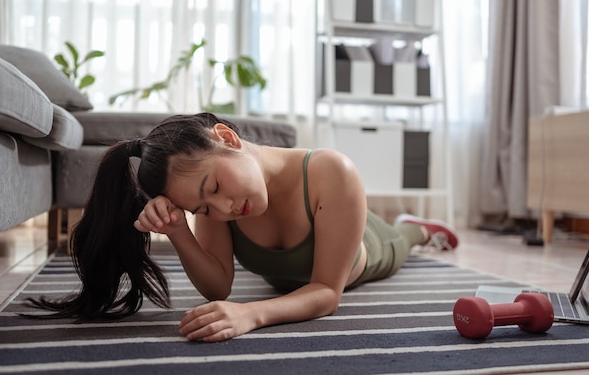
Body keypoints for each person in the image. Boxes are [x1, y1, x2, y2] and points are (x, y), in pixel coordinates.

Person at [28, 112, 458, 342]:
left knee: (403, 241)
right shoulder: (216, 207)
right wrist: (178, 229)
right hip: (321, 247)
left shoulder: (332, 173)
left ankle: (416, 229)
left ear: (228, 138)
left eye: (213, 186)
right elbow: (218, 287)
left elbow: (327, 293)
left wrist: (251, 315)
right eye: (205, 209)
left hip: (368, 246)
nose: (225, 208)